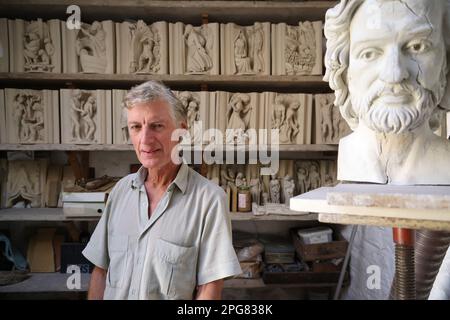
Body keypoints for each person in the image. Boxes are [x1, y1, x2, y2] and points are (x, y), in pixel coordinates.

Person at [82, 80, 241, 300]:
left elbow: (209, 290)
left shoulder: (209, 200)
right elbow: (101, 271)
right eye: (136, 127)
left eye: (157, 126)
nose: (145, 140)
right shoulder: (120, 192)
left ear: (182, 131)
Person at [324, 0, 450, 185]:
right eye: (369, 53)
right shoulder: (351, 158)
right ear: (345, 71)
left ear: (445, 64)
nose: (394, 75)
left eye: (418, 46)